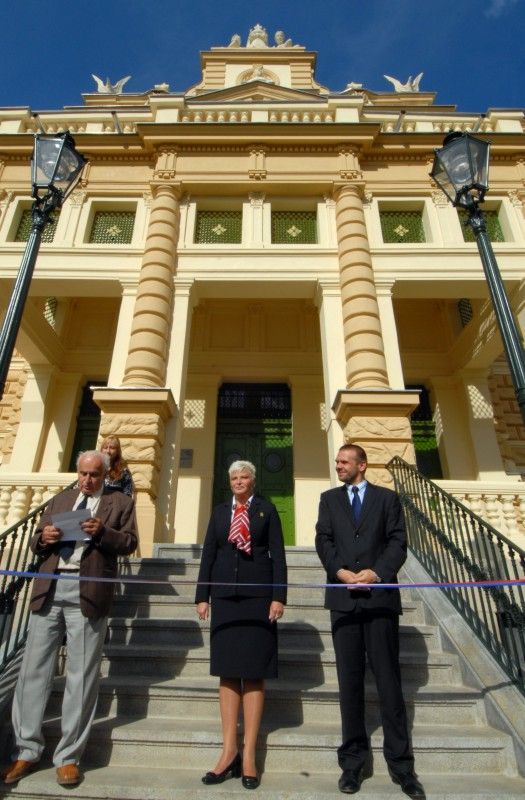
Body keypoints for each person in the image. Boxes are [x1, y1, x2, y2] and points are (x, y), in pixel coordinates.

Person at [1, 450, 138, 788]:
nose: (87, 480)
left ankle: (68, 758)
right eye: (82, 473)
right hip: (49, 588)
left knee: (81, 676)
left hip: (87, 592)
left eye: (93, 474)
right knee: (33, 671)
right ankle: (27, 750)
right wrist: (41, 539)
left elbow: (130, 542)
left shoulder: (119, 502)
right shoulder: (61, 500)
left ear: (104, 474)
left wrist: (103, 532)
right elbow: (36, 540)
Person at [315, 444, 425, 798]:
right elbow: (324, 539)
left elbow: (398, 541)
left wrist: (377, 572)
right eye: (337, 462)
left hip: (379, 601)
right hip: (344, 600)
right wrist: (340, 571)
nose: (338, 466)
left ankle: (402, 768)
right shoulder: (329, 499)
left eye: (344, 462)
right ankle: (352, 764)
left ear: (362, 465)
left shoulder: (387, 499)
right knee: (349, 685)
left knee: (389, 684)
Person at [195, 460, 287, 790]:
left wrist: (279, 597)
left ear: (253, 480)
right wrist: (202, 595)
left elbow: (277, 553)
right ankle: (228, 751)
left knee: (254, 671)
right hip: (225, 597)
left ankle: (249, 755)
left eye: (244, 476)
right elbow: (209, 552)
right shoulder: (220, 512)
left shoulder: (267, 510)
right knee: (228, 671)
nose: (238, 481)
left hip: (258, 599)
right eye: (233, 476)